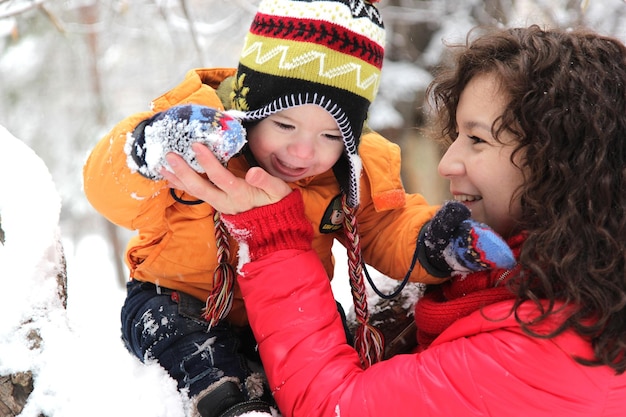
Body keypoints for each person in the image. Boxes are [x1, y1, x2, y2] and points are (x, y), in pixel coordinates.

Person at [163, 24, 626, 416]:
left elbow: (335, 405)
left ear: (565, 163)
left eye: (478, 140)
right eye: (457, 136)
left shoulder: (548, 349)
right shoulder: (548, 280)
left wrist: (274, 235)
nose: (448, 164)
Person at [83, 1, 515, 416]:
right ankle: (232, 407)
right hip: (174, 299)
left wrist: (433, 244)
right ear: (250, 109)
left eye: (331, 136)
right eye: (284, 124)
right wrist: (148, 151)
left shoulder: (347, 174)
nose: (304, 150)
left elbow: (385, 227)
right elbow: (109, 194)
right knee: (192, 349)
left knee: (334, 343)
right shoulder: (198, 142)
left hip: (276, 314)